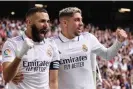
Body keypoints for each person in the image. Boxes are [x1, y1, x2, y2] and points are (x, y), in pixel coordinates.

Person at [53, 7, 127, 89]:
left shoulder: (89, 38)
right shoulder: (52, 44)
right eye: (77, 20)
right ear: (65, 23)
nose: (81, 23)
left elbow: (107, 55)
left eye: (81, 20)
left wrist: (119, 42)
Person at [2, 7, 60, 89]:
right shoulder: (12, 44)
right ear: (28, 22)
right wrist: (19, 56)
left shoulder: (51, 44)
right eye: (42, 21)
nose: (46, 25)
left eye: (48, 21)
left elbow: (53, 81)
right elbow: (7, 77)